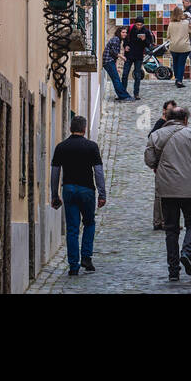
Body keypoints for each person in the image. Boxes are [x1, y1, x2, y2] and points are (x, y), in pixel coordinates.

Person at [144, 106, 191, 281]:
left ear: (167, 118)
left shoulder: (156, 135)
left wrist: (159, 165)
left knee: (171, 230)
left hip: (167, 190)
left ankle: (173, 270)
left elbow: (150, 160)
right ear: (186, 120)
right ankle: (187, 252)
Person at [50, 114, 107, 276]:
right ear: (84, 128)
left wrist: (55, 194)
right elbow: (98, 172)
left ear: (70, 129)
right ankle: (86, 257)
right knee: (89, 223)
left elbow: (55, 173)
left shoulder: (61, 147)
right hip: (87, 190)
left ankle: (73, 265)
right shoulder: (91, 147)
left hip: (68, 189)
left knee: (72, 229)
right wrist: (102, 193)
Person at [150, 100, 177, 230]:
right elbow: (151, 137)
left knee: (170, 193)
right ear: (164, 110)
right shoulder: (161, 123)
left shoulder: (172, 124)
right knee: (161, 194)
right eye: (170, 110)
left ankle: (164, 221)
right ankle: (159, 221)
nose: (172, 112)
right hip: (162, 163)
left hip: (171, 162)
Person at [123, 16, 153, 100]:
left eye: (140, 25)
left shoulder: (146, 31)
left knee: (137, 75)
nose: (139, 26)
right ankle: (123, 92)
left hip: (139, 56)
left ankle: (136, 93)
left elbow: (149, 44)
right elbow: (125, 40)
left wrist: (144, 39)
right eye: (137, 24)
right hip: (129, 54)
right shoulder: (130, 29)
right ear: (135, 23)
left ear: (143, 24)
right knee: (125, 74)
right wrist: (125, 46)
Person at [102, 26, 133, 101]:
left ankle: (122, 95)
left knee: (116, 79)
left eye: (125, 32)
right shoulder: (116, 39)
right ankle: (124, 96)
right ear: (119, 32)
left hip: (110, 61)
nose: (125, 34)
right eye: (123, 32)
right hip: (108, 62)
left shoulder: (118, 40)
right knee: (116, 79)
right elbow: (113, 52)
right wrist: (122, 56)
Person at [166, 5, 191, 89]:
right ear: (181, 14)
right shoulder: (186, 23)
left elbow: (168, 36)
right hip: (184, 47)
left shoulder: (170, 24)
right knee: (181, 64)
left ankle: (177, 77)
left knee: (175, 63)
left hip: (174, 47)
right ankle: (179, 81)